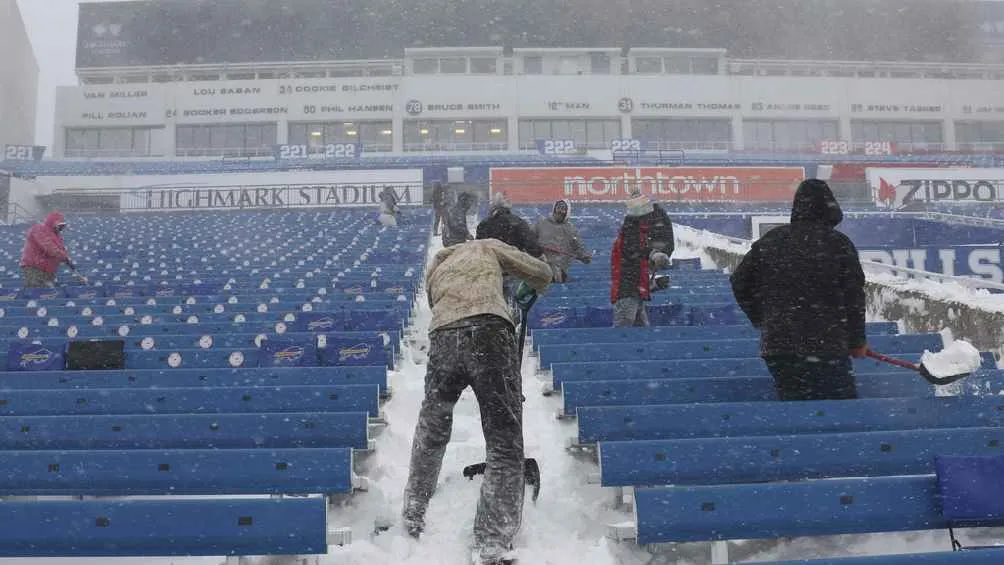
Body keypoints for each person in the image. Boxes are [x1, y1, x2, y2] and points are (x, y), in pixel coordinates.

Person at [401, 237, 553, 565]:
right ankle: (492, 543)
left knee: (432, 429)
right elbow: (542, 273)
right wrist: (516, 290)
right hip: (489, 331)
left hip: (443, 337)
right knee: (504, 441)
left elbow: (435, 301)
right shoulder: (486, 246)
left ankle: (413, 512)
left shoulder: (438, 264)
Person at [729, 178, 867, 401]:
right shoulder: (839, 243)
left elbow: (739, 281)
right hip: (828, 345)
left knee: (796, 406)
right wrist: (857, 341)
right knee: (840, 410)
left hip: (780, 347)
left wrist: (763, 317)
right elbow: (854, 298)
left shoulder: (772, 240)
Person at [610, 192, 674, 327]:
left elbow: (637, 276)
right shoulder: (630, 234)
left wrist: (655, 284)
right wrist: (653, 254)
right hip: (627, 296)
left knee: (639, 332)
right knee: (624, 333)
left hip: (634, 296)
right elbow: (631, 272)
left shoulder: (636, 235)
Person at [533, 199, 592, 283]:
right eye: (558, 208)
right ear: (554, 209)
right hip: (541, 264)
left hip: (560, 268)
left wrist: (584, 256)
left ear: (567, 212)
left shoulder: (570, 229)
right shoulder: (541, 224)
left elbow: (578, 245)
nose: (560, 211)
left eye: (563, 209)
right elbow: (530, 238)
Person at [20, 211, 79, 288]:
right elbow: (49, 248)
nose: (60, 228)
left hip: (49, 270)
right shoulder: (39, 229)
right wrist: (64, 256)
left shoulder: (57, 236)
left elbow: (61, 251)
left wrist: (69, 262)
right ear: (53, 223)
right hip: (35, 268)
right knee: (38, 291)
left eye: (62, 226)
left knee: (47, 293)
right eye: (59, 225)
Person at [475, 193, 542, 257]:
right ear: (508, 208)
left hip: (490, 264)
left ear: (492, 208)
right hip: (513, 264)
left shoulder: (484, 224)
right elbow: (533, 249)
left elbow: (477, 248)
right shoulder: (518, 222)